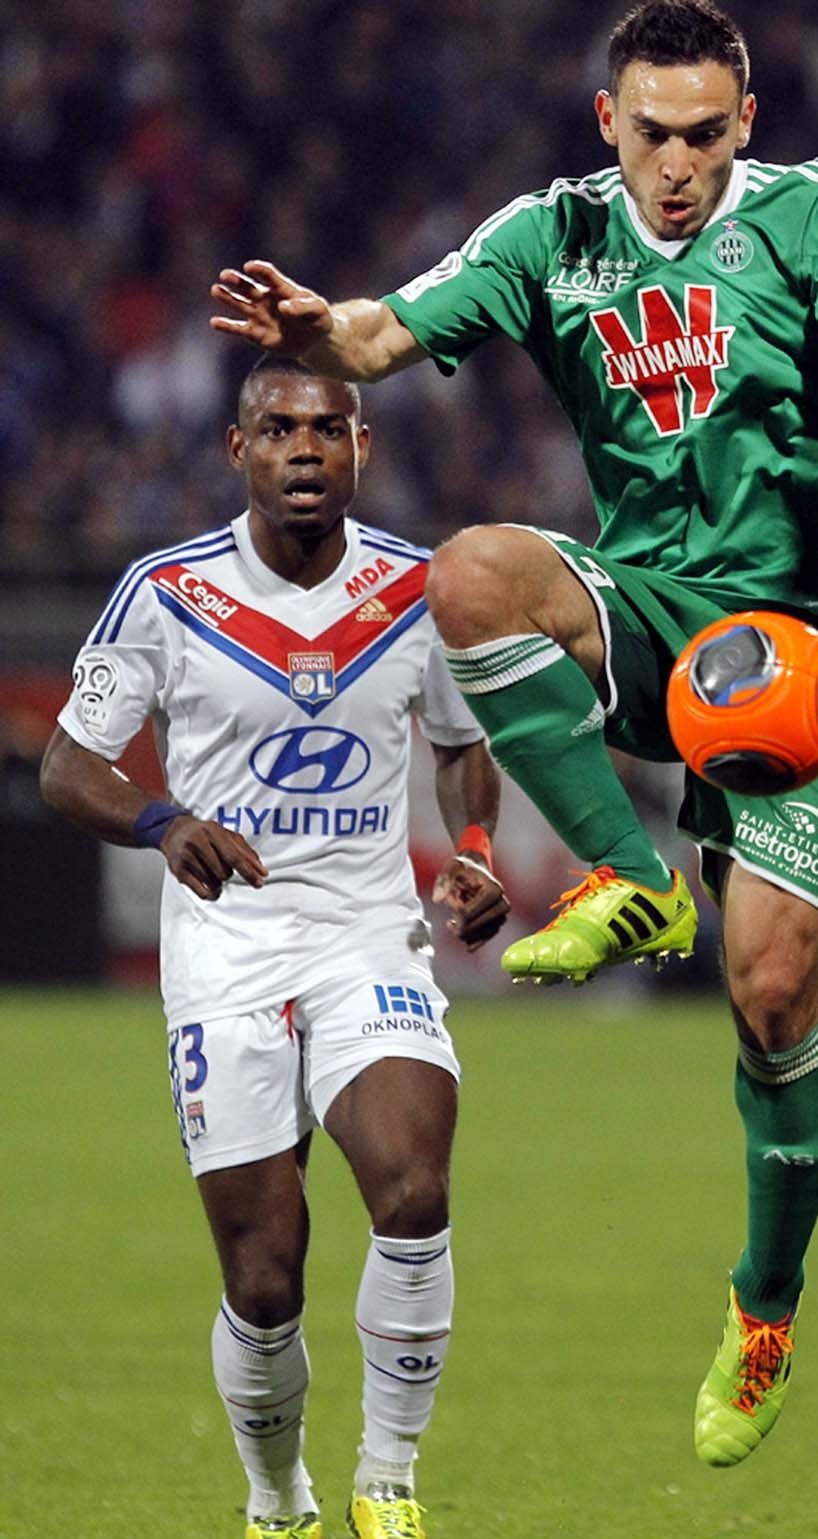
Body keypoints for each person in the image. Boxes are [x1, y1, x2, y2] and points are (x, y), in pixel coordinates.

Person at [208, 0, 818, 1469]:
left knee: (766, 995)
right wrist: (322, 332)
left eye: (702, 132)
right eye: (649, 132)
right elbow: (377, 332)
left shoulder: (809, 214)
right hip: (651, 601)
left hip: (798, 630)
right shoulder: (551, 239)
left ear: (741, 123)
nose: (675, 162)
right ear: (604, 124)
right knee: (469, 574)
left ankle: (763, 1306)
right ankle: (629, 875)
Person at [39, 356, 509, 1539]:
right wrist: (163, 821)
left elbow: (460, 741)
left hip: (367, 935)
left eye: (330, 429)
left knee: (412, 1186)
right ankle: (277, 1496)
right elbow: (66, 764)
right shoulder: (166, 592)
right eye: (280, 429)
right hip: (227, 953)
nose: (306, 447)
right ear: (236, 452)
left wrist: (478, 841)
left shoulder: (418, 589)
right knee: (264, 1282)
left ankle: (389, 1482)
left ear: (363, 451)